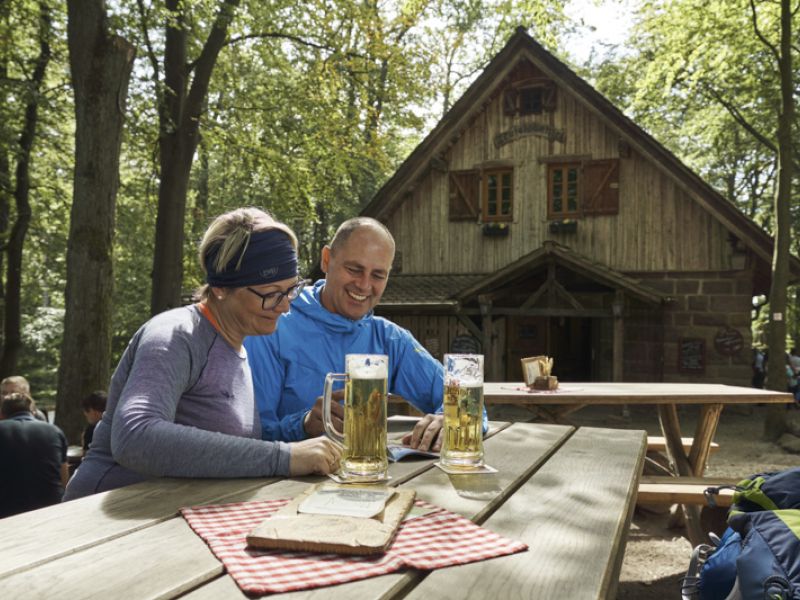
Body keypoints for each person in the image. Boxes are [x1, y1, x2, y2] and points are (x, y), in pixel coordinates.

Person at [63, 208, 341, 501]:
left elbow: (231, 451)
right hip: (99, 517)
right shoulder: (175, 335)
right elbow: (134, 436)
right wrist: (284, 457)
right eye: (271, 294)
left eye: (291, 290)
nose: (285, 306)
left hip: (169, 513)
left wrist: (302, 428)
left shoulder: (239, 348)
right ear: (221, 287)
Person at [245, 217, 481, 452]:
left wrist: (452, 419)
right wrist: (302, 426)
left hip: (373, 471)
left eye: (378, 275)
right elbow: (249, 437)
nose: (364, 285)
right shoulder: (273, 324)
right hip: (290, 475)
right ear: (326, 260)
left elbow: (466, 400)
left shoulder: (390, 339)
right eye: (354, 269)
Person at [0, 392, 68, 518]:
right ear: (33, 412)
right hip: (51, 506)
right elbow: (64, 477)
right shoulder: (54, 431)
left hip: (7, 510)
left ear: (2, 414)